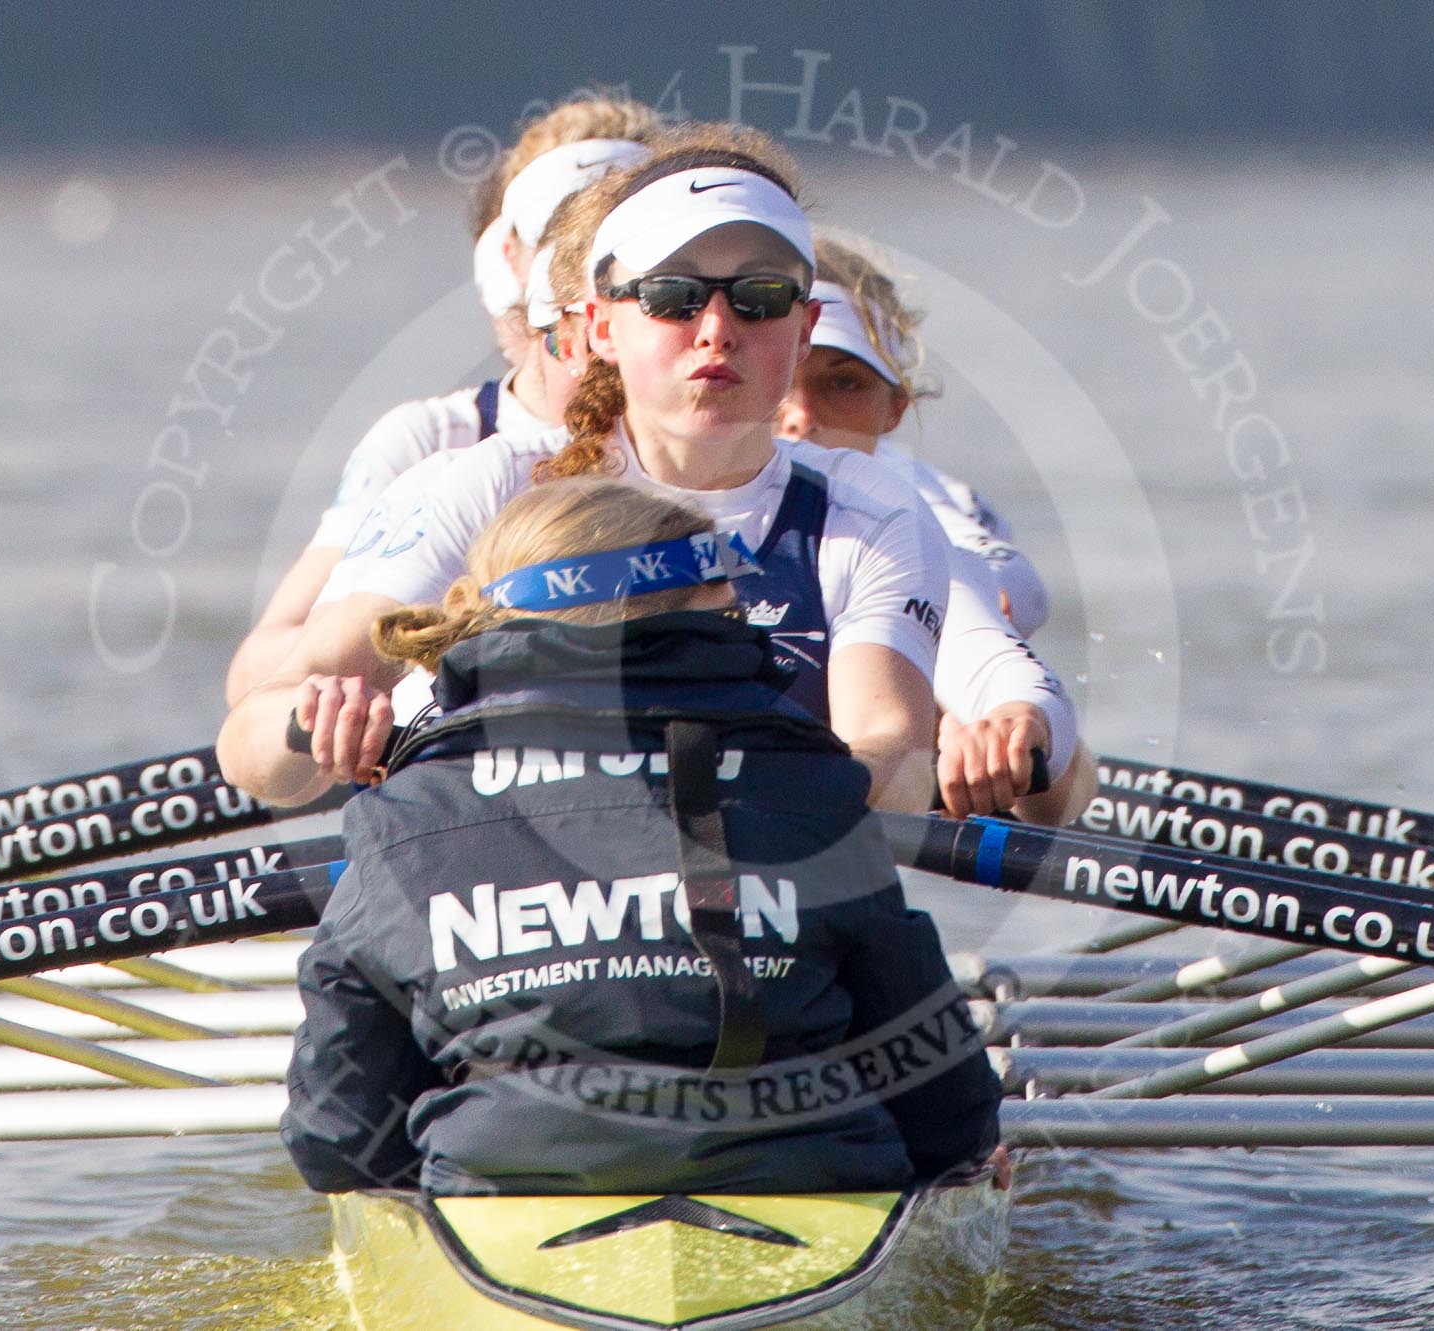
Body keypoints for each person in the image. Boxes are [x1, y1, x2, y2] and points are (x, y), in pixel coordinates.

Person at [281, 477, 1004, 1195]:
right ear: (693, 628)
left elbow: (337, 1135)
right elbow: (945, 1100)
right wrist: (965, 1163)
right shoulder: (809, 782)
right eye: (730, 608)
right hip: (804, 1180)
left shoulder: (404, 810)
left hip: (499, 1190)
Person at [221, 122, 967, 815]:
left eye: (759, 298)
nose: (716, 331)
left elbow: (892, 750)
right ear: (604, 326)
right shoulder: (488, 487)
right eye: (672, 296)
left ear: (804, 330)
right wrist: (307, 724)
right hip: (499, 919)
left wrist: (766, 793)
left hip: (757, 911)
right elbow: (250, 739)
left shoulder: (864, 513)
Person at [223, 96, 656, 704]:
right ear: (512, 258)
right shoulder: (436, 441)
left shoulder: (714, 426)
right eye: (567, 232)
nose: (589, 256)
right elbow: (256, 676)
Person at [777, 233, 1099, 823]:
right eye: (784, 375)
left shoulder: (897, 523)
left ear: (895, 406)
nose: (800, 415)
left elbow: (1003, 588)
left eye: (842, 382)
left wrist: (1007, 729)